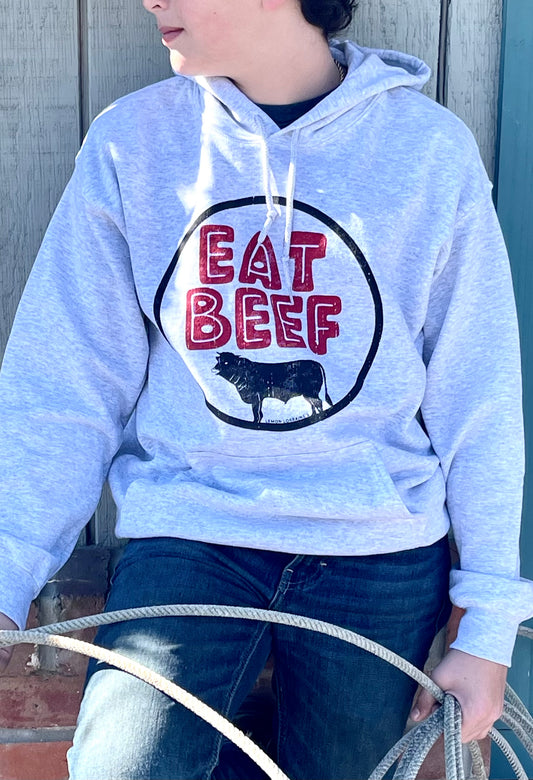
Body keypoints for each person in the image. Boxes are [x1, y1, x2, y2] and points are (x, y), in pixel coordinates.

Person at [0, 0, 532, 777]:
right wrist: (8, 570)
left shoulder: (428, 152)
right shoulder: (133, 143)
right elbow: (66, 382)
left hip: (374, 552)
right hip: (191, 535)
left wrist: (486, 625)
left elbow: (476, 399)